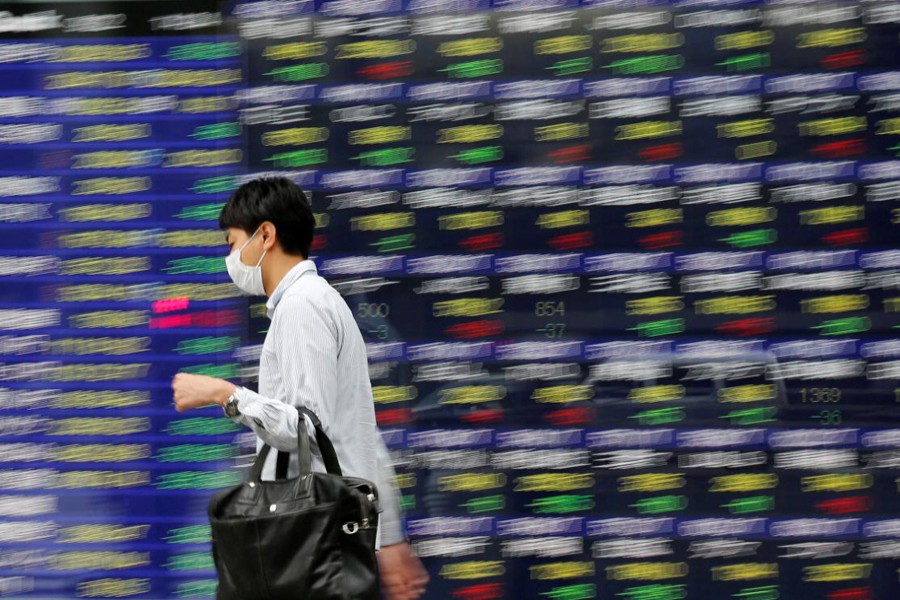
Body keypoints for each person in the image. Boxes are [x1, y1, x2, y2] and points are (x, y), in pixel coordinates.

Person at [170, 175, 379, 521]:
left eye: (233, 243)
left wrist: (224, 394)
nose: (231, 257)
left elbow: (308, 428)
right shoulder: (310, 300)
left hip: (315, 535)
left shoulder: (303, 305)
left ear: (265, 235)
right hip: (322, 532)